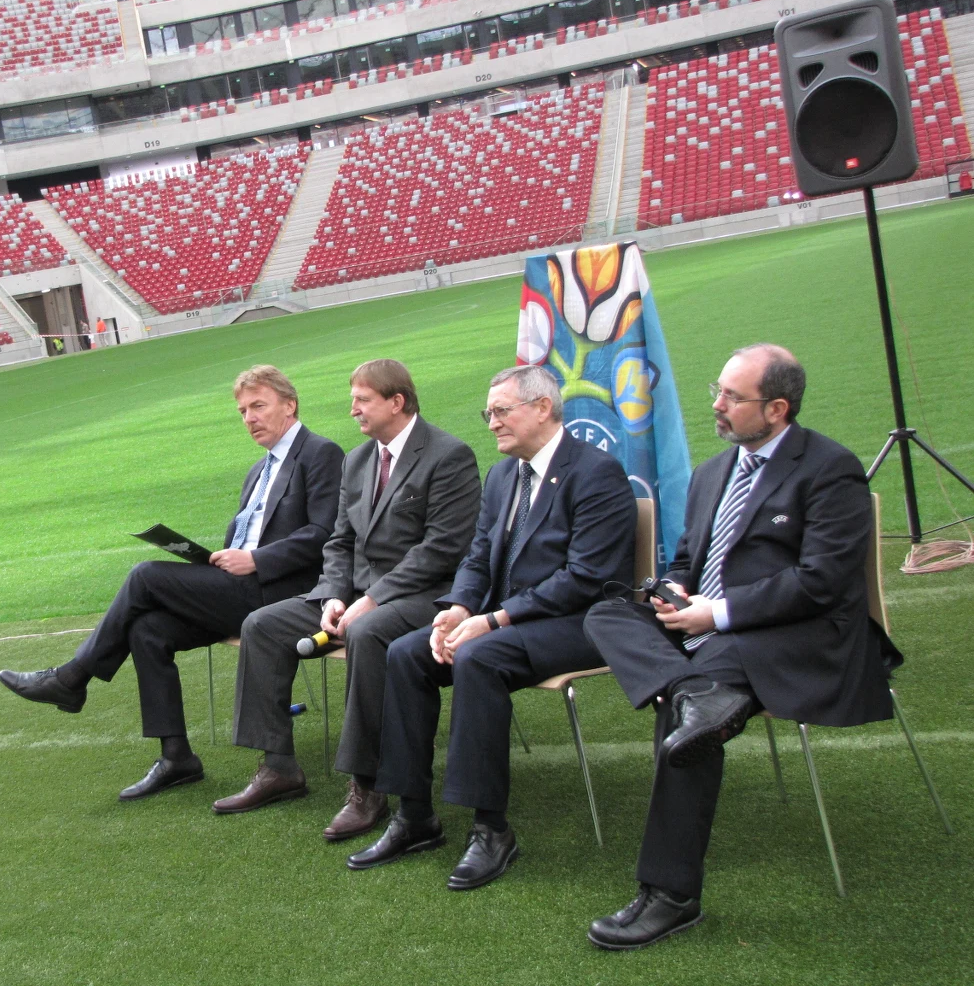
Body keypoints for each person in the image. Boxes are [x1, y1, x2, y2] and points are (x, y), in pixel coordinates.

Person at [581, 344, 900, 950]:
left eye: (733, 397)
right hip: (709, 631)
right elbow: (685, 561)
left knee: (696, 697)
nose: (718, 406)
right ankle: (696, 692)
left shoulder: (830, 468)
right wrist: (673, 593)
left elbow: (823, 582)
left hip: (792, 634)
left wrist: (718, 613)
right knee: (606, 614)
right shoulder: (711, 472)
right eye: (717, 390)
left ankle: (670, 895)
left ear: (777, 409)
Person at [348, 365, 637, 889]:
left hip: (579, 622)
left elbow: (585, 578)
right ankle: (414, 816)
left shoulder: (595, 473)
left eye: (502, 411)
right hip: (506, 620)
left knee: (481, 656)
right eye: (489, 413)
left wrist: (494, 619)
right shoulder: (504, 474)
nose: (492, 424)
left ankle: (490, 828)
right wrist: (458, 607)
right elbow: (479, 556)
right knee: (408, 652)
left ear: (543, 408)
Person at [0, 366, 344, 800]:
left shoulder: (321, 453)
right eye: (242, 411)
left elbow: (325, 533)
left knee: (145, 575)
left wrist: (254, 559)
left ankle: (72, 678)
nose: (249, 418)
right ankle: (177, 757)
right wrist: (212, 560)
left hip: (281, 596)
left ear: (289, 405)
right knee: (148, 631)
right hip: (235, 588)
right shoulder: (258, 470)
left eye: (258, 406)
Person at [215, 359, 482, 839]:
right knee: (262, 624)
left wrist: (372, 598)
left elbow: (442, 548)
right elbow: (338, 541)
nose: (352, 409)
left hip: (426, 596)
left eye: (362, 400)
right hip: (355, 594)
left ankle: (368, 785)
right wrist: (333, 595)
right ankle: (278, 767)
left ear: (396, 402)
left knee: (366, 630)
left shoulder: (449, 456)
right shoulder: (358, 460)